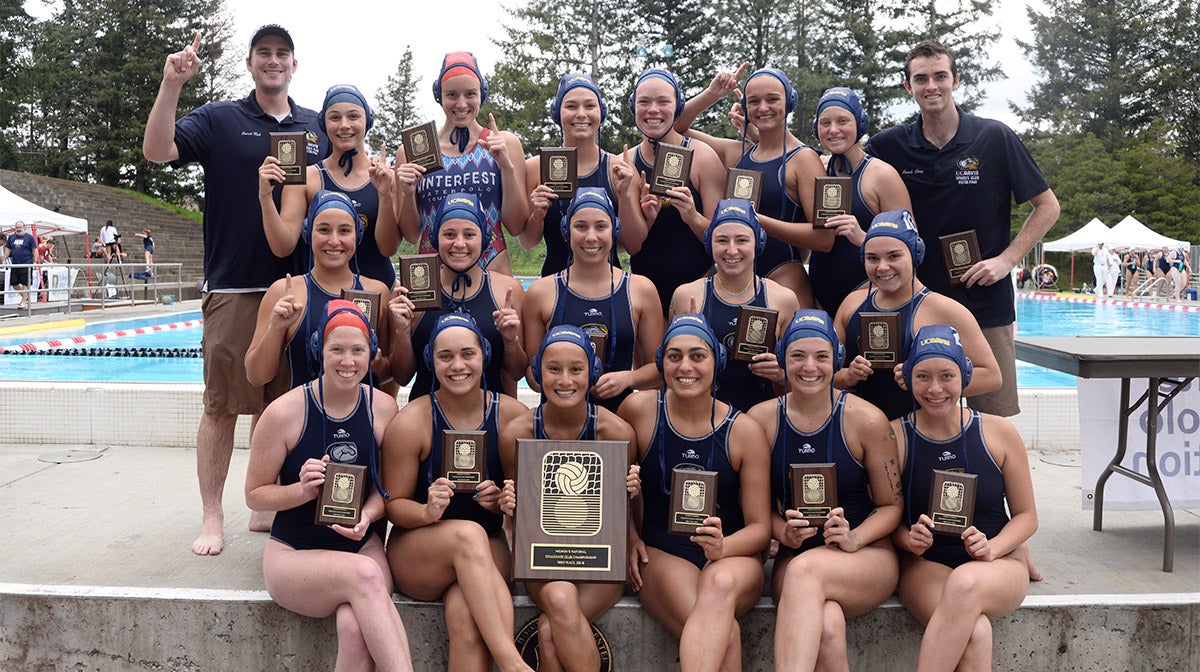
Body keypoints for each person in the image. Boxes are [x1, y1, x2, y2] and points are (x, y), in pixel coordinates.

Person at [143, 25, 327, 555]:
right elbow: (157, 150)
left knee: (281, 405)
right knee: (222, 407)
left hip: (298, 286)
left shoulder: (316, 125)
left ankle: (263, 504)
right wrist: (172, 84)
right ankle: (212, 515)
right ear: (249, 63)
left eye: (282, 53)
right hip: (234, 285)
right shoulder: (220, 119)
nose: (273, 61)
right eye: (263, 53)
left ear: (294, 65)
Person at [867, 39, 1060, 418]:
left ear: (956, 80)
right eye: (921, 79)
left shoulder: (994, 137)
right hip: (917, 306)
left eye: (940, 76)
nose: (931, 86)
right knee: (916, 417)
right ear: (908, 87)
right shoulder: (890, 146)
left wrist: (1006, 260)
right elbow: (834, 162)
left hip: (985, 303)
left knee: (993, 421)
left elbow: (1048, 206)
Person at [244, 300, 414, 672]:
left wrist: (367, 515)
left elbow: (387, 488)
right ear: (318, 350)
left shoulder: (383, 408)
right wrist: (300, 490)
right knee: (365, 576)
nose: (347, 361)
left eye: (357, 350)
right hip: (294, 553)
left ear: (372, 352)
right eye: (336, 349)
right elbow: (254, 494)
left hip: (360, 547)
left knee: (355, 629)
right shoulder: (284, 413)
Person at [746, 310, 901, 672]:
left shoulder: (868, 420)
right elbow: (755, 508)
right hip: (796, 556)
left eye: (821, 356)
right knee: (828, 627)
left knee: (806, 573)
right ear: (783, 359)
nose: (809, 367)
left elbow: (891, 506)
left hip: (866, 556)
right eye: (798, 356)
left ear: (837, 359)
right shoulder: (760, 421)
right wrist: (781, 530)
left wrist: (855, 538)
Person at [618, 314, 771, 672]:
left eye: (698, 356)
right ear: (661, 363)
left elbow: (761, 528)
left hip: (731, 555)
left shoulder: (744, 431)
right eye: (674, 356)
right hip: (661, 550)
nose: (685, 366)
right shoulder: (639, 411)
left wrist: (723, 548)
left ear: (717, 362)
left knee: (720, 582)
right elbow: (612, 489)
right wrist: (629, 537)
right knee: (725, 637)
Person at [381, 313, 534, 672]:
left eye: (468, 354)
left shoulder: (513, 417)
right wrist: (426, 511)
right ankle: (512, 663)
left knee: (466, 620)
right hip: (418, 549)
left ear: (485, 355)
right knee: (468, 534)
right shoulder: (411, 422)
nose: (458, 366)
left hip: (488, 545)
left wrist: (504, 503)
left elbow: (535, 503)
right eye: (445, 356)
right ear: (430, 361)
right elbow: (393, 506)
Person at [891, 324, 1037, 672]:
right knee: (977, 634)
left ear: (964, 377)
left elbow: (1027, 516)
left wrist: (993, 548)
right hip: (925, 565)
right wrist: (908, 539)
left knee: (965, 582)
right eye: (923, 376)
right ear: (908, 378)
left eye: (947, 376)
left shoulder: (998, 432)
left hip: (998, 563)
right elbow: (884, 517)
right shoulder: (894, 437)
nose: (935, 388)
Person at [498, 326, 641, 672]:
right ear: (537, 373)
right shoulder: (517, 434)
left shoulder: (616, 433)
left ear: (592, 372)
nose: (565, 380)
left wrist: (632, 505)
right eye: (554, 369)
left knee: (550, 632)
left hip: (601, 560)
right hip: (543, 558)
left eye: (576, 369)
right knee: (560, 598)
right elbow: (516, 517)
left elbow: (629, 510)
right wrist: (508, 505)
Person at [671, 65, 831, 305]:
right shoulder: (738, 153)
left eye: (772, 99)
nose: (763, 108)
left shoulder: (803, 159)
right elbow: (675, 128)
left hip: (782, 271)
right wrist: (712, 94)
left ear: (789, 101)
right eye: (754, 101)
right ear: (745, 107)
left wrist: (754, 219)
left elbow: (825, 239)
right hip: (732, 271)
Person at [833, 210, 1001, 420]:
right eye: (872, 258)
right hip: (859, 429)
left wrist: (924, 382)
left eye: (894, 256)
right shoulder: (851, 304)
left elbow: (991, 376)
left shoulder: (946, 311)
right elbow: (827, 373)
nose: (882, 267)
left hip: (920, 432)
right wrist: (847, 377)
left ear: (915, 254)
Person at [522, 187, 664, 413]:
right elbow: (532, 375)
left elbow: (657, 369)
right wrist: (564, 382)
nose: (591, 237)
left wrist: (629, 378)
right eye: (580, 226)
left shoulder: (640, 290)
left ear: (614, 230)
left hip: (621, 418)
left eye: (600, 226)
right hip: (558, 421)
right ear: (566, 230)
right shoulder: (541, 293)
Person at [394, 51, 529, 277]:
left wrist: (506, 167)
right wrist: (408, 193)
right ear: (439, 96)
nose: (461, 103)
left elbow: (516, 226)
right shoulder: (413, 152)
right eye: (452, 95)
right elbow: (411, 235)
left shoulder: (504, 144)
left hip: (491, 268)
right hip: (434, 276)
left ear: (481, 94)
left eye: (470, 94)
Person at [245, 191, 397, 390]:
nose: (334, 241)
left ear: (357, 235)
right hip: (302, 409)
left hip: (360, 410)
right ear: (308, 232)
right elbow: (256, 376)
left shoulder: (378, 292)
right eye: (324, 230)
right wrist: (276, 328)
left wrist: (377, 363)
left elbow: (389, 375)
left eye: (344, 231)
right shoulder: (284, 292)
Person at [259, 84, 398, 289]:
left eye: (353, 116)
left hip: (378, 294)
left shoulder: (386, 177)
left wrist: (385, 195)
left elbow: (388, 249)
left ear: (367, 121)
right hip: (322, 297)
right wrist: (265, 197)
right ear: (323, 124)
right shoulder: (308, 178)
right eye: (335, 117)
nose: (344, 125)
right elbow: (282, 247)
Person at [669, 199, 800, 411]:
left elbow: (800, 380)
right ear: (709, 243)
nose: (731, 250)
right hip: (703, 415)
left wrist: (782, 374)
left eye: (741, 240)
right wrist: (690, 337)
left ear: (758, 243)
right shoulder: (687, 295)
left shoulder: (783, 299)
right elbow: (668, 371)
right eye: (722, 240)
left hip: (762, 415)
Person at [396, 192, 526, 399]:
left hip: (487, 414)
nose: (459, 243)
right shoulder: (414, 291)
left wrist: (510, 341)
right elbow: (402, 377)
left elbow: (517, 372)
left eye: (469, 235)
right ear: (435, 238)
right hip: (426, 414)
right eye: (449, 234)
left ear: (484, 239)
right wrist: (401, 332)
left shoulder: (507, 291)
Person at [624, 68, 728, 313]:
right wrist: (642, 216)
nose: (653, 110)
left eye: (663, 102)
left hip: (699, 289)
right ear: (633, 107)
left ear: (678, 106)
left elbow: (723, 239)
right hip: (645, 295)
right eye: (644, 102)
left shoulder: (703, 158)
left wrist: (692, 216)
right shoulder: (624, 164)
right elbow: (627, 246)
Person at [522, 73, 643, 277]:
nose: (580, 114)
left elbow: (633, 246)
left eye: (589, 106)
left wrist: (625, 197)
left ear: (601, 112)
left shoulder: (619, 169)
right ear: (557, 112)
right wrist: (537, 215)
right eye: (571, 106)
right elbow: (527, 243)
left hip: (609, 288)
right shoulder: (536, 168)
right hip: (553, 287)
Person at [808, 86, 913, 313]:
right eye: (825, 123)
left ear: (860, 123)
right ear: (816, 128)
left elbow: (912, 246)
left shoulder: (881, 175)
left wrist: (864, 238)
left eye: (843, 121)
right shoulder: (816, 169)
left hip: (871, 296)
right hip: (818, 297)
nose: (833, 130)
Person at [2, 221, 39, 309]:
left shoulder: (29, 238)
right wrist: (4, 259)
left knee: (25, 283)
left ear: (24, 228)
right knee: (14, 283)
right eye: (17, 227)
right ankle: (25, 297)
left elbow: (35, 250)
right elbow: (8, 249)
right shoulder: (11, 237)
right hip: (15, 264)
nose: (18, 229)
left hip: (26, 263)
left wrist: (35, 262)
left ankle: (23, 302)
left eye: (20, 227)